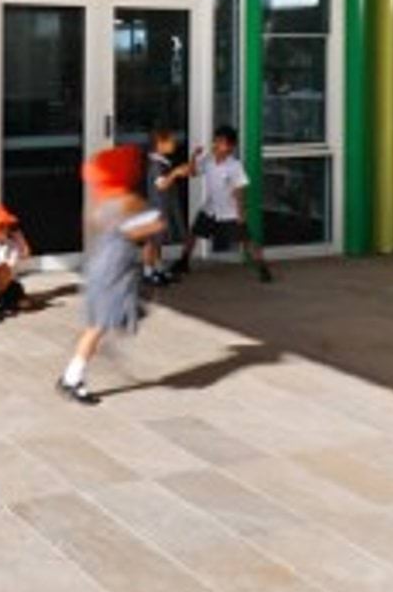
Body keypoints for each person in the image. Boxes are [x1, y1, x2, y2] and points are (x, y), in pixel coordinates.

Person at [56, 144, 164, 405]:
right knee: (98, 326)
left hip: (104, 266)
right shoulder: (129, 201)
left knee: (99, 324)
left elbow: (103, 224)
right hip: (114, 269)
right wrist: (151, 223)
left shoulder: (104, 200)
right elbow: (148, 227)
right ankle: (72, 378)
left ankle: (76, 370)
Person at [190, 126, 273, 283]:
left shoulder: (234, 165)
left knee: (246, 240)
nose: (216, 145)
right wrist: (194, 156)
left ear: (230, 147)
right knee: (193, 234)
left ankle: (262, 267)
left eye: (221, 142)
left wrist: (241, 212)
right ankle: (182, 262)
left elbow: (240, 190)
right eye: (215, 141)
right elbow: (193, 172)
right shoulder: (208, 159)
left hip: (230, 212)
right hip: (210, 208)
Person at [144, 125, 193, 286]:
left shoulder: (162, 163)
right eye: (171, 141)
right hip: (154, 209)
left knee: (158, 241)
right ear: (160, 143)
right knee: (152, 242)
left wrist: (181, 169)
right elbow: (161, 185)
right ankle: (148, 272)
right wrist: (175, 173)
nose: (174, 144)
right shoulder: (156, 165)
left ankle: (158, 269)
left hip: (161, 207)